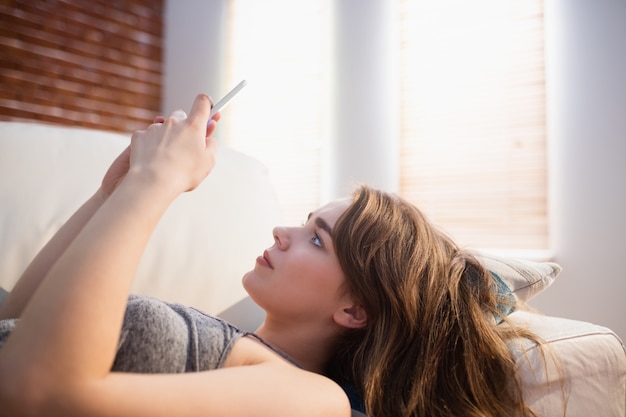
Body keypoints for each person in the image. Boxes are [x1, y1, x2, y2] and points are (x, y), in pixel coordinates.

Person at [0, 93, 542, 417]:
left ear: (355, 310)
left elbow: (36, 393)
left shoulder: (314, 399)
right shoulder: (232, 341)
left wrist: (155, 183)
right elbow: (17, 321)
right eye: (305, 223)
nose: (283, 231)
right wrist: (110, 195)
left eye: (316, 239)